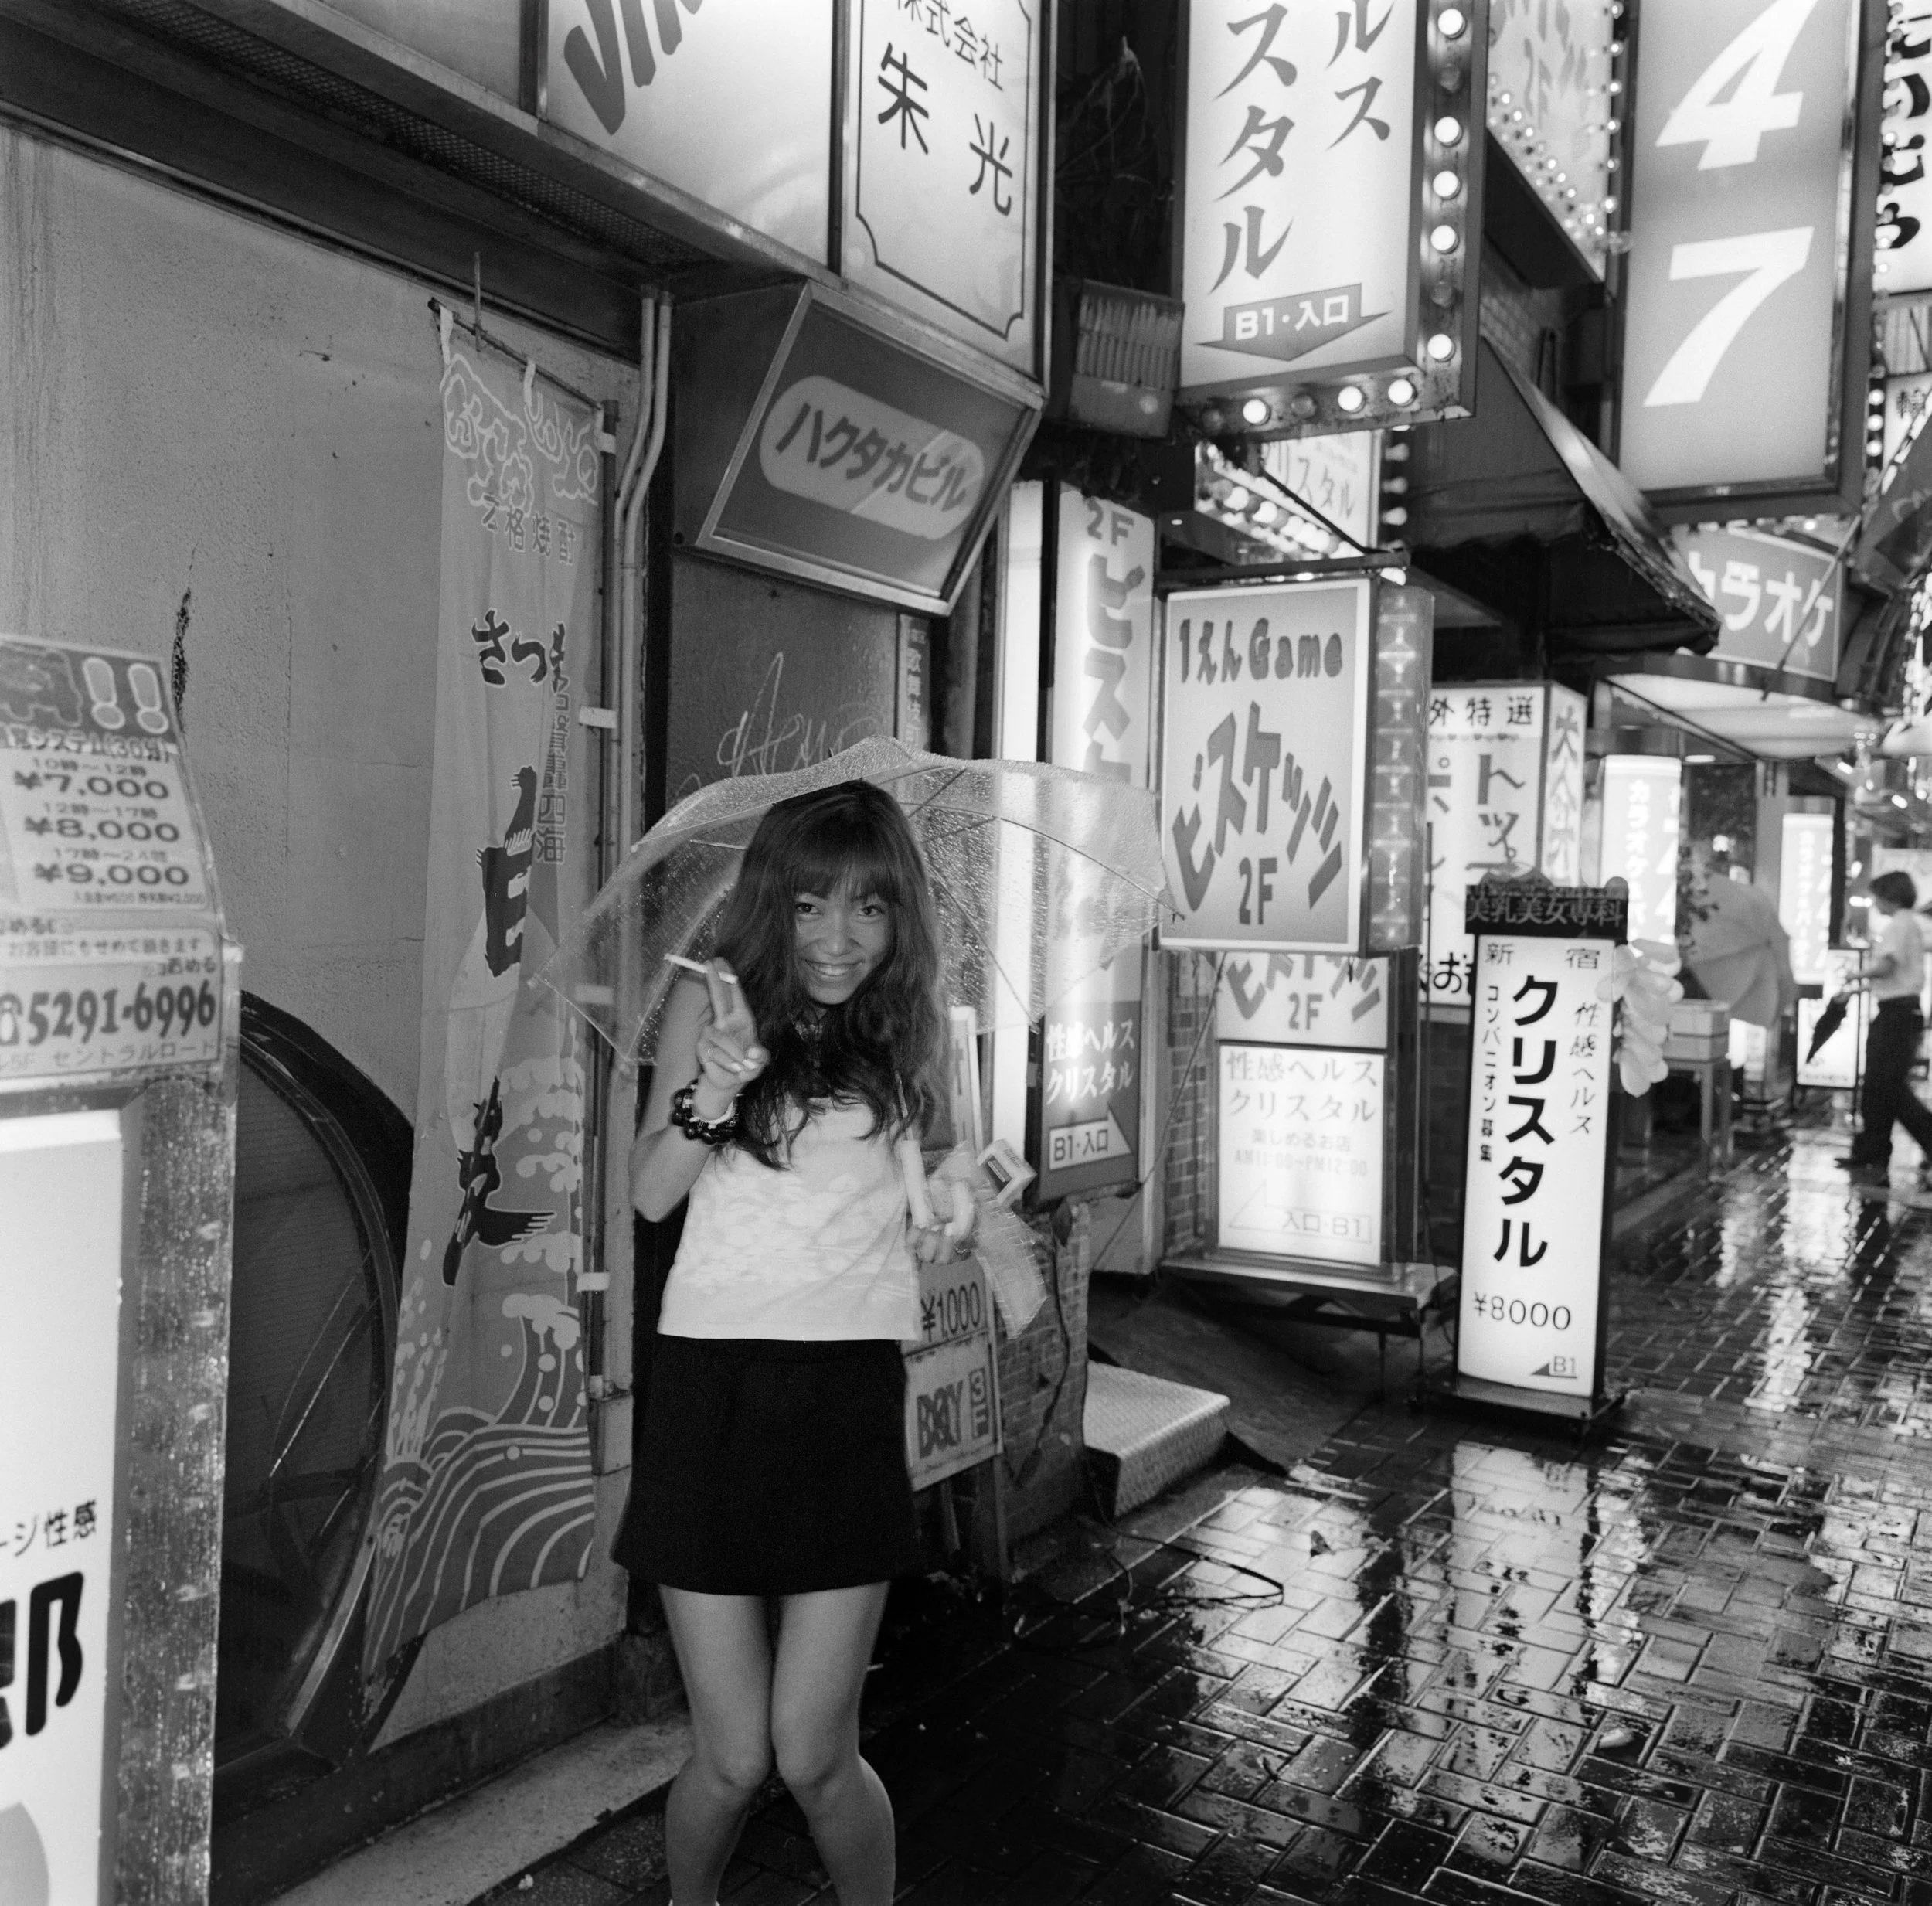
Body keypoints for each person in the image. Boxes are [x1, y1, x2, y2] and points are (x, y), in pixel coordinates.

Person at [614, 779, 967, 1906]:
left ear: (899, 915)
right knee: (732, 1759)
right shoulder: (711, 1000)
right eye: (811, 904)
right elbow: (651, 1193)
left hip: (847, 1393)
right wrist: (717, 1086)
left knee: (814, 1755)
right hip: (710, 1389)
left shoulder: (915, 1027)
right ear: (774, 901)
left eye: (869, 907)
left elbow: (945, 1176)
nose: (837, 936)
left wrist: (957, 1208)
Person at [1840, 870, 1932, 1183]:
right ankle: (1873, 1150)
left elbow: (1887, 967)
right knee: (1882, 1086)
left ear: (1890, 897)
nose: (1874, 903)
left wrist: (1856, 976)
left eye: (1877, 896)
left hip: (1896, 1016)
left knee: (1885, 1086)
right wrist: (1859, 989)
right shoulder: (1909, 924)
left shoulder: (1897, 926)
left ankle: (1881, 1148)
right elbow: (1896, 974)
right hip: (1903, 1013)